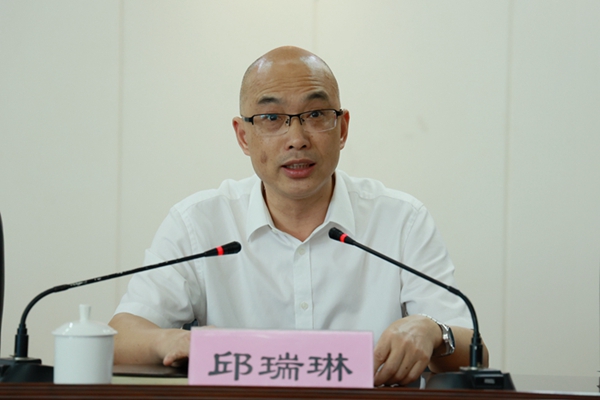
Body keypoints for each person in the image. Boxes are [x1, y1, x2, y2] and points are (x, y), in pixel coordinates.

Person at [109, 46, 488, 386]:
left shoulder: (402, 220)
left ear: (342, 128)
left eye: (316, 114)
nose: (297, 139)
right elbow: (120, 336)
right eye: (272, 118)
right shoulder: (198, 223)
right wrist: (177, 341)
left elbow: (475, 353)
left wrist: (432, 331)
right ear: (243, 136)